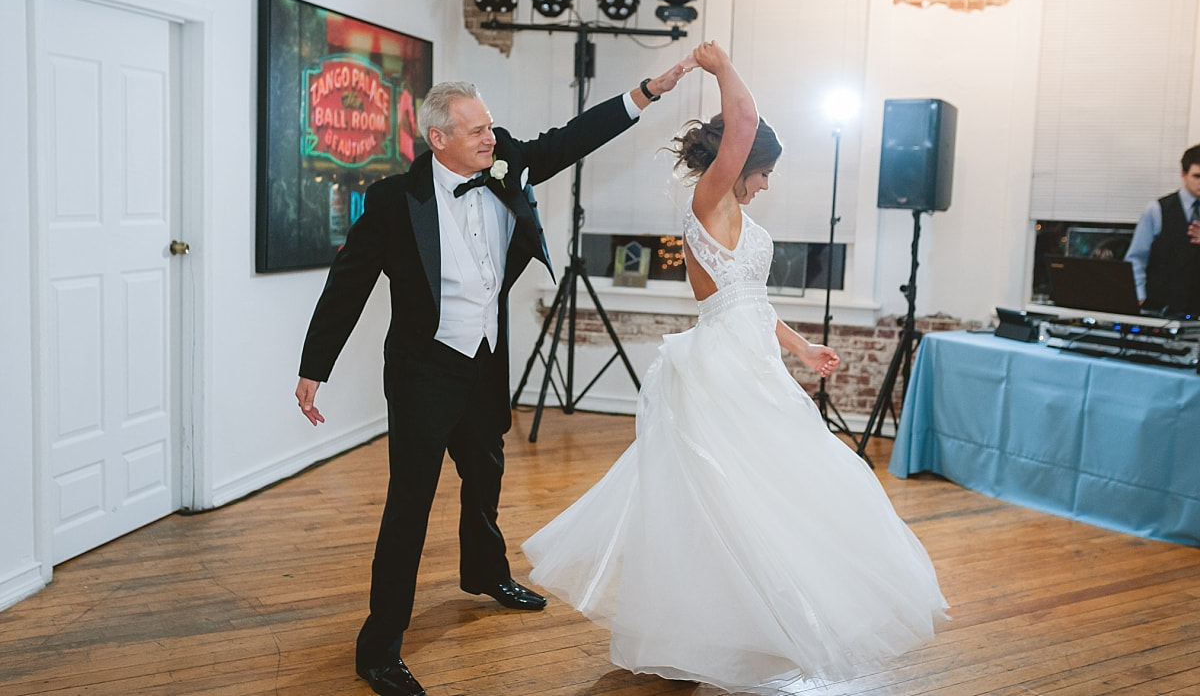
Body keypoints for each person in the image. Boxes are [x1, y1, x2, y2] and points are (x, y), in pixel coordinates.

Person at [523, 41, 948, 693]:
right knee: (720, 505)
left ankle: (742, 628)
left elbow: (753, 298)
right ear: (741, 163)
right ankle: (694, 632)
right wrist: (718, 68)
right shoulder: (708, 204)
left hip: (754, 360)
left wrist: (800, 347)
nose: (767, 182)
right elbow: (744, 122)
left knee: (757, 499)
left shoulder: (741, 218)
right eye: (765, 170)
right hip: (718, 369)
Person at [294, 64, 689, 696]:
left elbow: (568, 140)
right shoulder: (395, 200)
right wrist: (315, 366)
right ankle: (379, 649)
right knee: (409, 506)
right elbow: (349, 284)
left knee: (485, 474)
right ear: (437, 138)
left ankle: (485, 573)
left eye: (490, 126)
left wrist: (642, 95)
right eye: (476, 130)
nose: (490, 137)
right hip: (424, 371)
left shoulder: (505, 164)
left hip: (484, 360)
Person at [1124, 146, 1200, 318]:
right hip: (1159, 308)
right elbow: (1136, 258)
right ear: (1183, 174)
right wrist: (1140, 296)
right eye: (1197, 176)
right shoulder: (1157, 210)